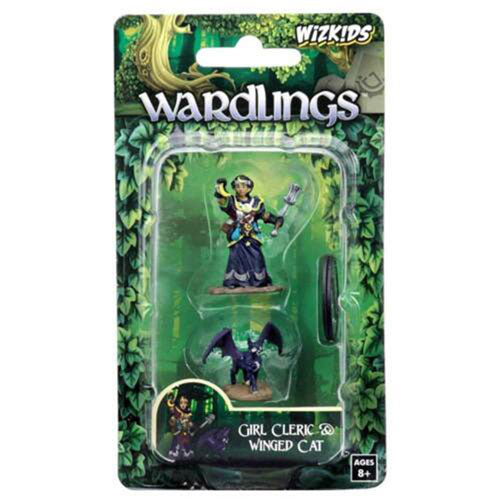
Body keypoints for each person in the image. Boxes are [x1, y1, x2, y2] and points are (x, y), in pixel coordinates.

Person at [214, 175, 283, 288]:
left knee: (256, 256)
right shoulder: (232, 201)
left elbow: (263, 215)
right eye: (237, 186)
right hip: (237, 234)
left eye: (243, 186)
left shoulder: (256, 202)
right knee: (236, 257)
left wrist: (275, 220)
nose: (240, 189)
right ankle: (234, 281)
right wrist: (219, 189)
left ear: (249, 188)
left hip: (252, 236)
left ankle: (259, 281)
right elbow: (222, 202)